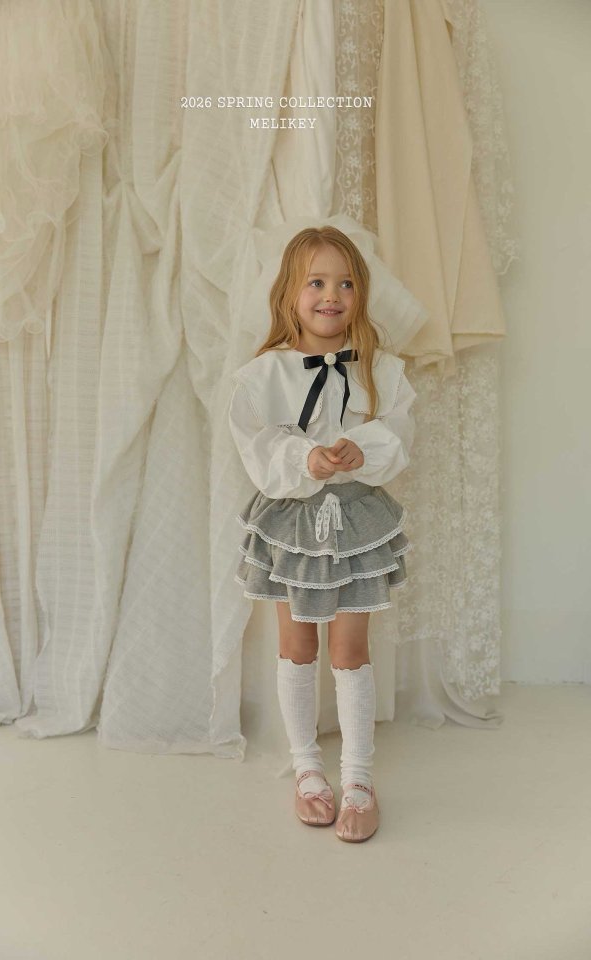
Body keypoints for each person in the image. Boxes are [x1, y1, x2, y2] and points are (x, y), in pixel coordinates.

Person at [228, 226, 417, 843]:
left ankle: (359, 778)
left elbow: (399, 430)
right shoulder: (263, 375)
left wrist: (361, 451)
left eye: (345, 283)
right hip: (293, 521)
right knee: (297, 645)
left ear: (360, 293)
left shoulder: (380, 369)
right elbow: (256, 444)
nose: (331, 295)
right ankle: (308, 769)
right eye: (316, 282)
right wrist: (304, 459)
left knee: (350, 649)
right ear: (290, 292)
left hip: (356, 519)